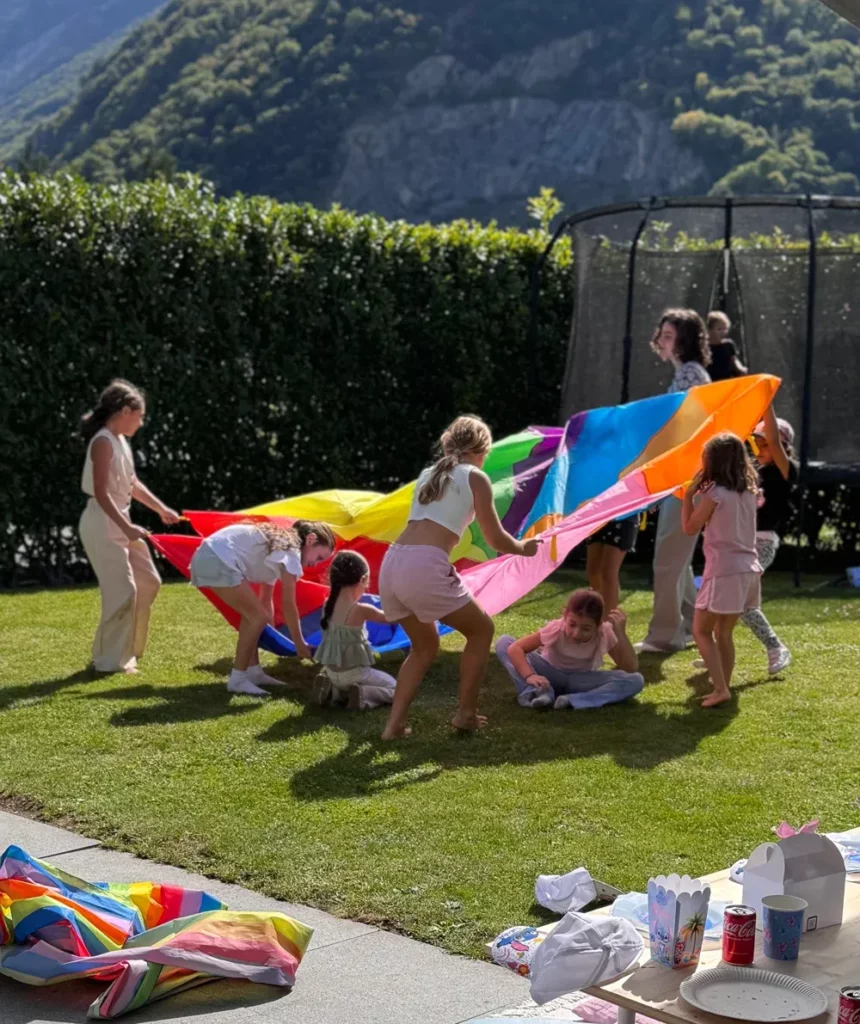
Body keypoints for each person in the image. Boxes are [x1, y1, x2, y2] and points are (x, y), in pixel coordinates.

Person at [379, 415, 540, 739]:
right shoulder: (475, 477)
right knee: (482, 630)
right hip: (423, 565)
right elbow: (494, 538)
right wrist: (524, 548)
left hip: (392, 563)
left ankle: (393, 726)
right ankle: (465, 714)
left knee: (424, 646)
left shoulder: (429, 474)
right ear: (480, 450)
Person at [79, 380, 180, 674]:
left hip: (119, 521)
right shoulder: (102, 442)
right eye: (140, 415)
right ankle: (109, 661)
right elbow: (101, 492)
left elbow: (132, 483)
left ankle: (129, 651)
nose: (141, 421)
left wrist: (161, 509)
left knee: (149, 582)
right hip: (101, 523)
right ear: (125, 411)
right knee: (121, 591)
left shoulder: (120, 441)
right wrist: (127, 528)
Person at [637, 309, 712, 654]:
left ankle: (664, 636)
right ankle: (694, 628)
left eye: (670, 335)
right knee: (677, 561)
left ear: (684, 340)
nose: (663, 340)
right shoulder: (687, 373)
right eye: (662, 334)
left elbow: (682, 430)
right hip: (686, 480)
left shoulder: (690, 374)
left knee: (668, 559)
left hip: (687, 481)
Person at [189, 519, 335, 695]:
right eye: (319, 557)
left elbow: (266, 599)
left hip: (210, 556)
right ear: (311, 539)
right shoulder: (291, 553)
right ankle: (238, 679)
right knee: (257, 617)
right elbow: (289, 604)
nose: (315, 564)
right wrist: (299, 643)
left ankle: (253, 671)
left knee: (254, 616)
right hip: (216, 558)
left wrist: (271, 634)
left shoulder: (278, 548)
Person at [682, 432, 762, 707]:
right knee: (723, 632)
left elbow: (690, 528)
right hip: (748, 570)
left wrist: (687, 496)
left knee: (701, 630)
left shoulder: (715, 494)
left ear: (712, 462)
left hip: (725, 570)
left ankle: (720, 688)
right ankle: (722, 686)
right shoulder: (749, 493)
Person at [495, 589, 643, 710]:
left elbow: (630, 667)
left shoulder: (604, 633)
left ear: (598, 625)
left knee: (636, 680)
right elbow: (516, 648)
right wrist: (530, 676)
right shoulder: (556, 627)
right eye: (572, 624)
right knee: (504, 642)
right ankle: (539, 693)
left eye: (586, 629)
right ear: (565, 616)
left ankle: (573, 701)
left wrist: (621, 633)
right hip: (550, 674)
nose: (576, 633)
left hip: (581, 680)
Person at [312, 551, 397, 710]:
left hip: (331, 670)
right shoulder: (361, 609)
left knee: (342, 680)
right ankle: (364, 694)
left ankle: (332, 689)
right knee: (395, 688)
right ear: (362, 579)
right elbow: (392, 617)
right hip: (355, 674)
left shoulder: (327, 605)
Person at [586, 514, 639, 617]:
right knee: (593, 571)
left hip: (624, 514)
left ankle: (608, 623)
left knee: (608, 572)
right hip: (598, 515)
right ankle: (597, 616)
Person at [706, 311, 747, 382]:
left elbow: (734, 360)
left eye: (725, 329)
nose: (723, 332)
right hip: (711, 383)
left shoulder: (728, 345)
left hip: (727, 381)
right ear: (709, 330)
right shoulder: (704, 347)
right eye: (719, 329)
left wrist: (740, 368)